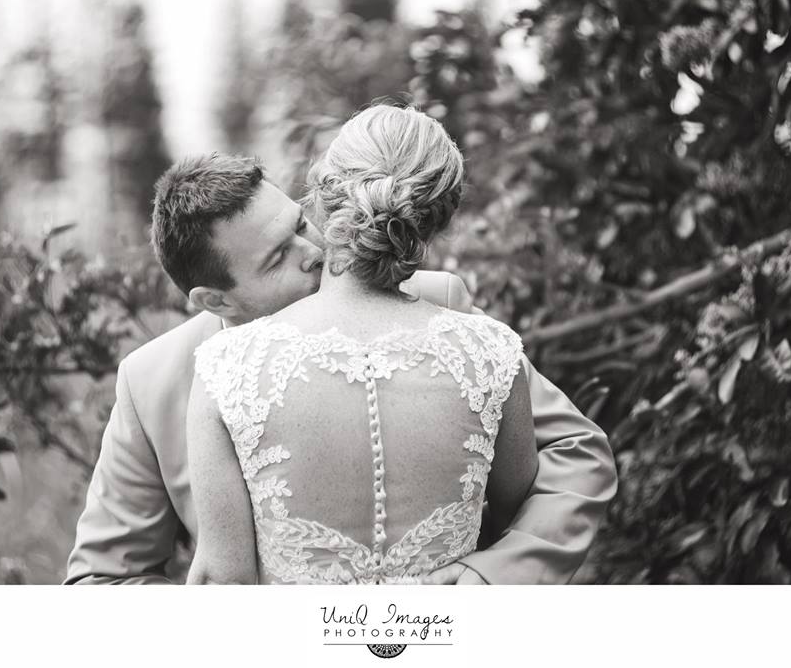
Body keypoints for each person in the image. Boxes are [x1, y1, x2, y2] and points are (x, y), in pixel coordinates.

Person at [65, 120, 617, 585]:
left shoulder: (438, 307)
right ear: (215, 300)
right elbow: (100, 580)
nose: (313, 252)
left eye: (301, 224)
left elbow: (576, 451)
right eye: (277, 257)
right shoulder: (153, 381)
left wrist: (496, 574)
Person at [187, 105, 539, 583]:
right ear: (438, 219)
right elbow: (516, 530)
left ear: (323, 192)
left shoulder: (226, 368)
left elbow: (223, 581)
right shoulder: (493, 354)